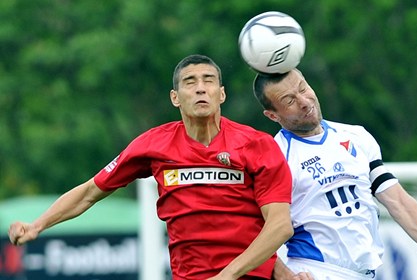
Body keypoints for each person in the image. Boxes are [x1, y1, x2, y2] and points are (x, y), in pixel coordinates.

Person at [8, 54, 295, 280]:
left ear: (221, 94)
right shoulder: (154, 145)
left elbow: (280, 226)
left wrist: (228, 275)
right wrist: (37, 225)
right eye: (190, 82)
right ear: (175, 98)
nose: (200, 89)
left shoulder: (257, 144)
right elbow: (89, 192)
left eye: (208, 81)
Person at [252, 69, 417, 280]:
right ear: (272, 115)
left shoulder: (356, 136)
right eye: (289, 100)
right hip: (315, 271)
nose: (304, 102)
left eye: (303, 88)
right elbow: (253, 229)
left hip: (364, 274)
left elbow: (398, 200)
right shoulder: (275, 156)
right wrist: (284, 275)